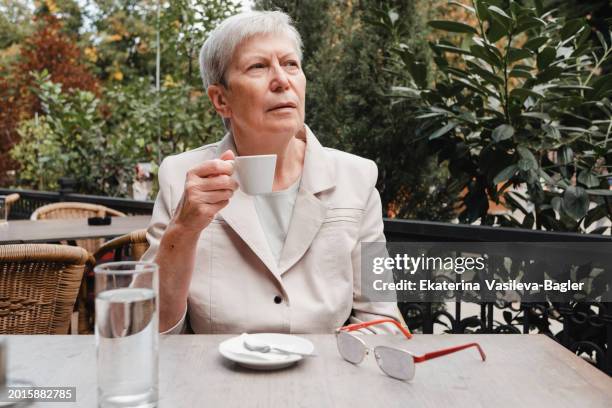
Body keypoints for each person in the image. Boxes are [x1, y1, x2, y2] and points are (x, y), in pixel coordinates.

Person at [141, 10, 402, 334]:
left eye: (291, 64)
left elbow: (383, 319)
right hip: (215, 380)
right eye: (258, 67)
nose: (282, 80)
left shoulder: (357, 178)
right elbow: (149, 329)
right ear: (221, 99)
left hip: (326, 378)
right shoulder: (180, 176)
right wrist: (182, 230)